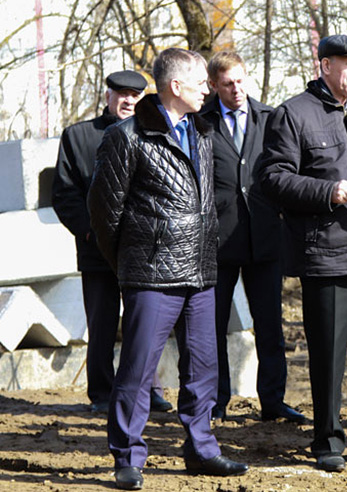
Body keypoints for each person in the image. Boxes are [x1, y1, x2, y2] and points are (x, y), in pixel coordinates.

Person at [88, 48, 248, 490]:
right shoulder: (126, 136)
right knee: (138, 370)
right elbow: (103, 212)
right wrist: (131, 262)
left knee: (203, 368)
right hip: (151, 273)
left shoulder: (202, 131)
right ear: (176, 86)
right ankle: (127, 456)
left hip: (200, 271)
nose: (207, 90)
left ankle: (202, 449)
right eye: (200, 82)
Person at [260, 34, 347, 473]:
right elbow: (272, 178)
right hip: (326, 255)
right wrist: (328, 191)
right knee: (328, 355)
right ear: (325, 65)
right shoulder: (293, 114)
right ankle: (327, 440)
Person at [52, 70, 172, 415]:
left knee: (145, 324)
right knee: (102, 323)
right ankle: (102, 392)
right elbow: (65, 193)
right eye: (122, 94)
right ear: (108, 96)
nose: (128, 101)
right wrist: (90, 230)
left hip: (144, 249)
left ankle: (149, 388)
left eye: (135, 95)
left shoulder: (156, 133)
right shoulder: (78, 137)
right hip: (97, 248)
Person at [199, 51, 305, 424]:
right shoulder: (201, 123)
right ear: (214, 85)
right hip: (217, 241)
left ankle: (273, 401)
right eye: (228, 84)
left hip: (265, 237)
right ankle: (216, 401)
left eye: (240, 81)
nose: (236, 89)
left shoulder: (271, 118)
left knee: (270, 325)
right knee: (213, 326)